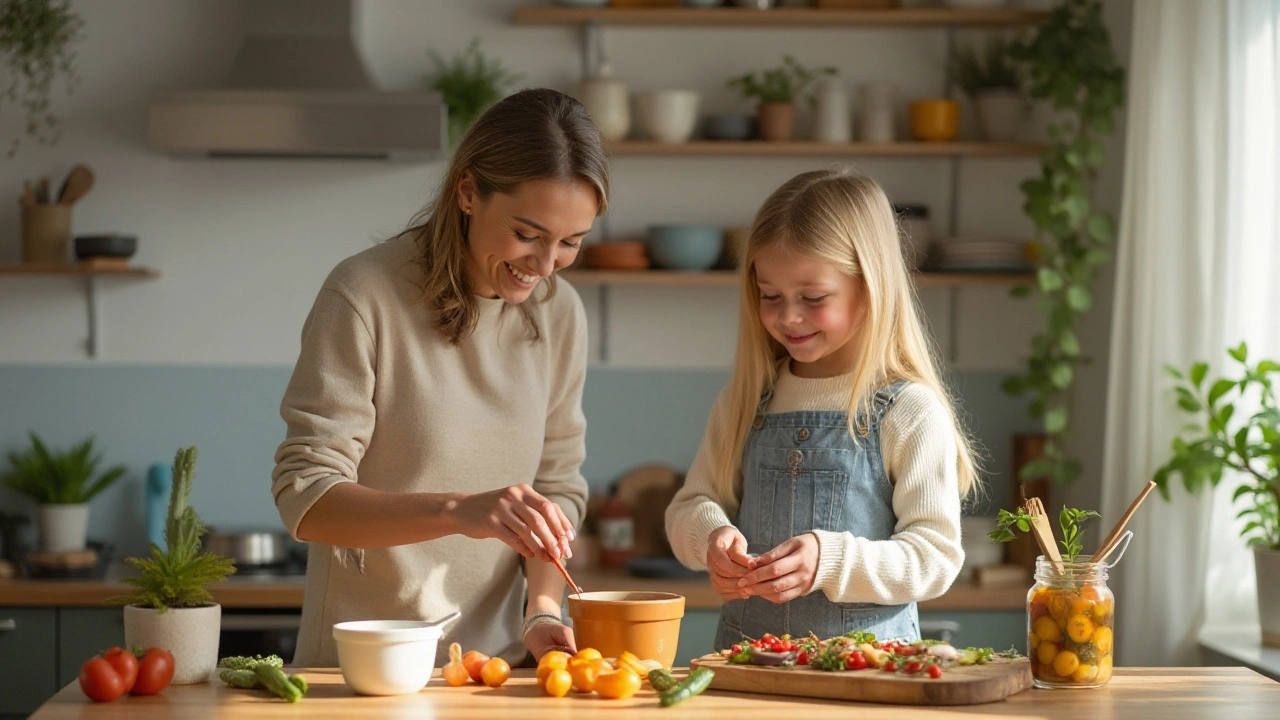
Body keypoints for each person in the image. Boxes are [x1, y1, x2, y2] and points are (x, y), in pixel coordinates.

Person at [271, 88, 608, 668]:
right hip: (361, 669)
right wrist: (457, 511)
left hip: (491, 671)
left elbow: (558, 488)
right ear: (469, 191)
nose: (545, 265)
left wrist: (543, 611)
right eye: (528, 234)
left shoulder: (559, 313)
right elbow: (307, 496)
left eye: (570, 243)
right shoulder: (363, 295)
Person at [665, 168, 979, 648]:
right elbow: (688, 508)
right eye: (770, 296)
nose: (788, 316)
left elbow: (934, 559)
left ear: (869, 286)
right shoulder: (745, 401)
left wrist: (830, 560)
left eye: (812, 298)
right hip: (750, 673)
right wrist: (711, 537)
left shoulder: (908, 411)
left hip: (870, 678)